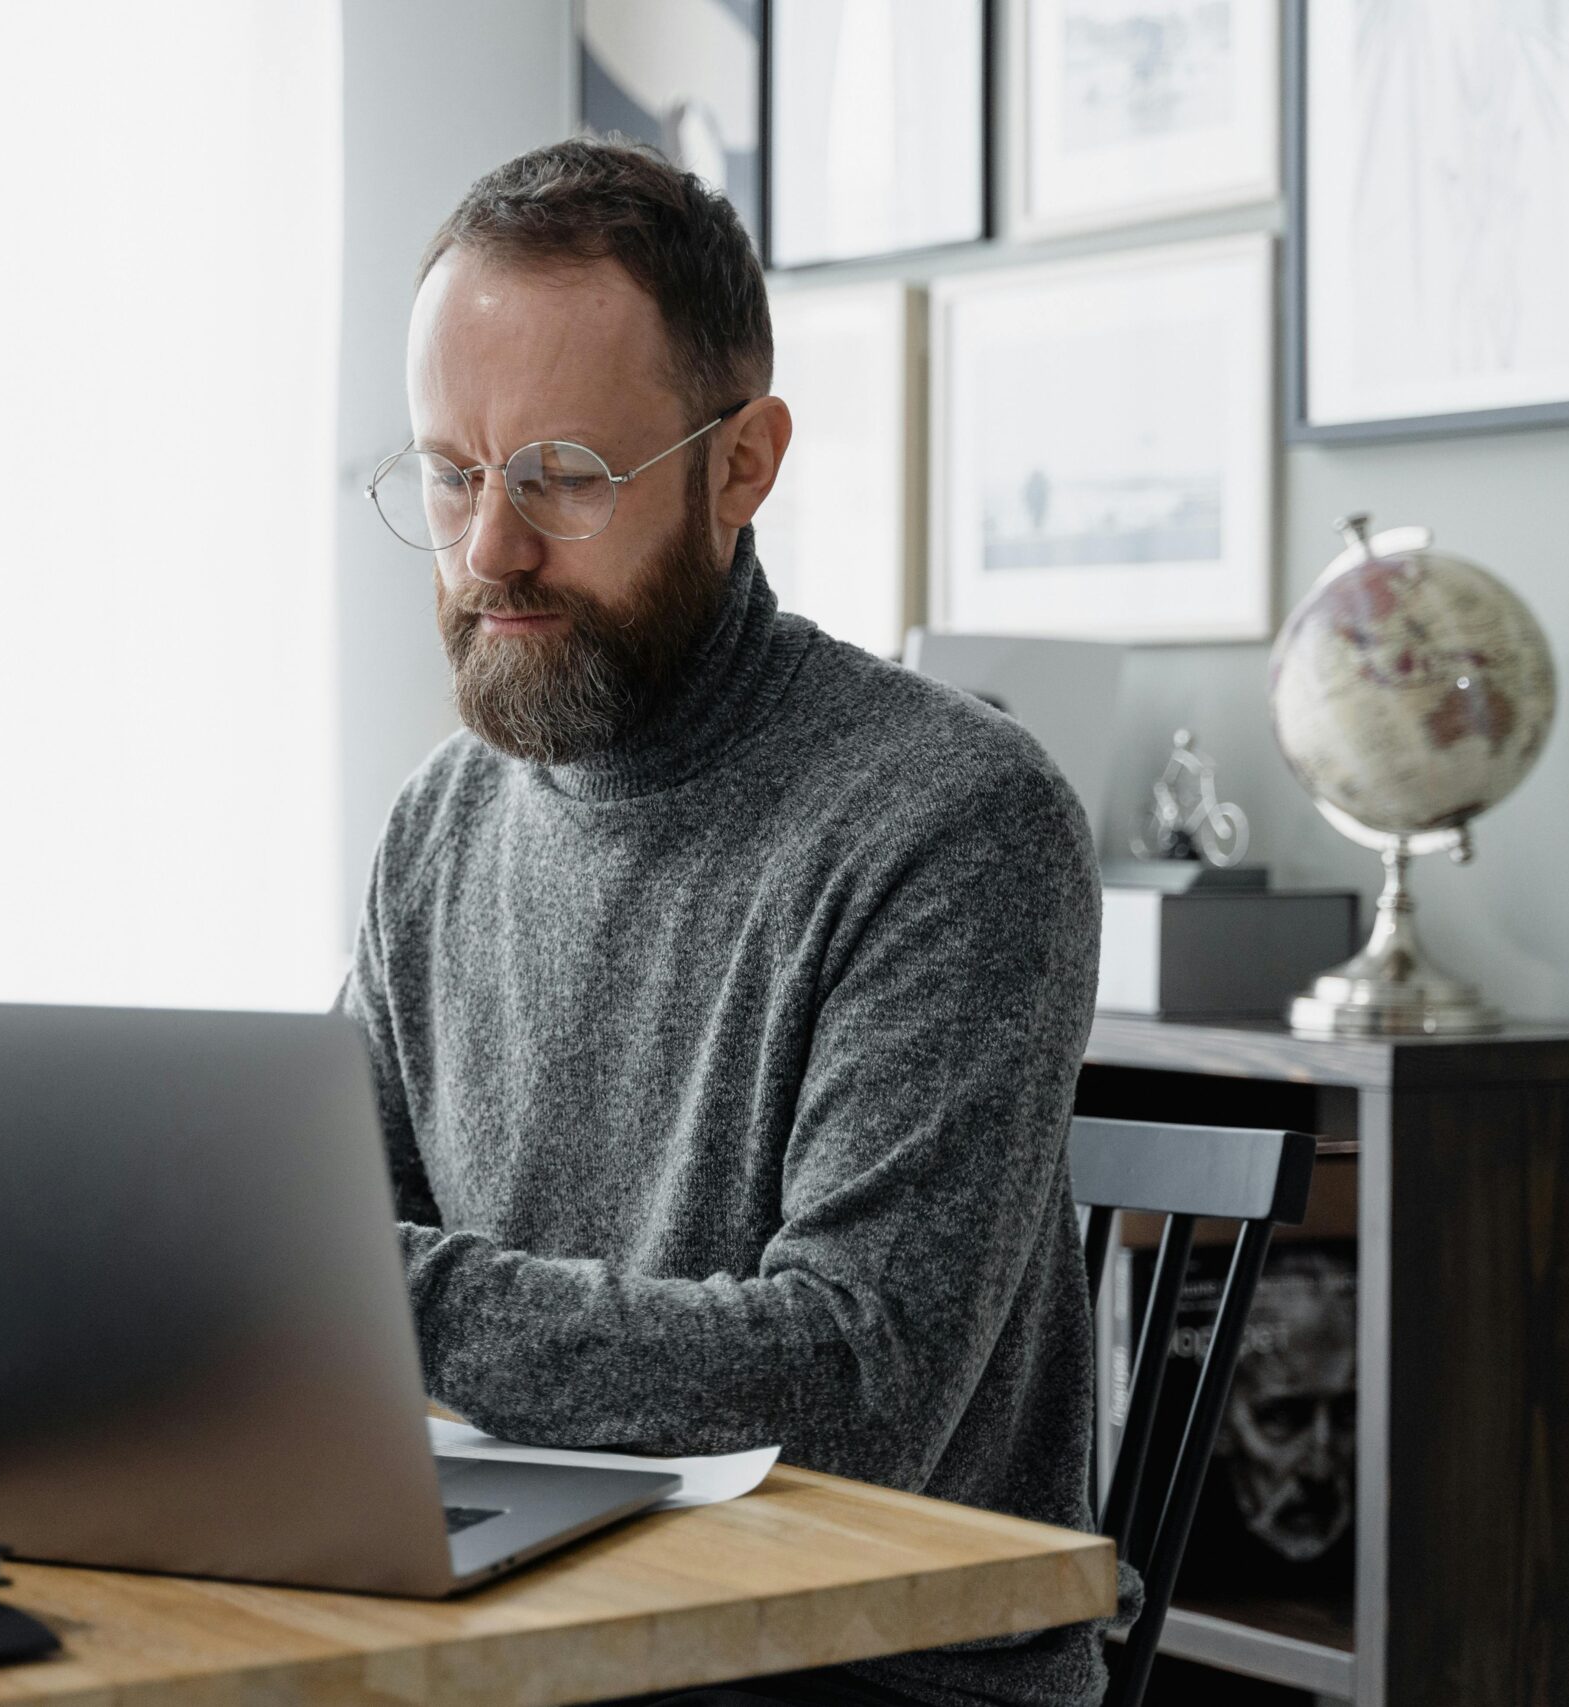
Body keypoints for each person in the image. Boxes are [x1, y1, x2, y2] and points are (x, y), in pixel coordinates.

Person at [340, 138, 1113, 1707]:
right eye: (447, 471)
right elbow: (304, 1233)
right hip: (534, 1628)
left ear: (744, 463)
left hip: (853, 1674)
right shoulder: (440, 820)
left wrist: (366, 1296)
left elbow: (847, 1381)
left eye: (560, 474)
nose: (489, 547)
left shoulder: (955, 817)